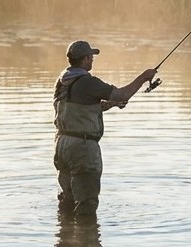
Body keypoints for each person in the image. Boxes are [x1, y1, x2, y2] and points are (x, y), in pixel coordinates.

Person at [54, 39, 157, 219]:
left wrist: (111, 104)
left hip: (62, 144)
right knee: (87, 203)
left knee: (68, 199)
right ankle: (87, 242)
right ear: (85, 59)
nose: (92, 59)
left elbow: (79, 107)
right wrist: (144, 77)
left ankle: (65, 239)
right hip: (83, 147)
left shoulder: (63, 80)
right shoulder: (88, 82)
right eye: (91, 57)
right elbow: (123, 94)